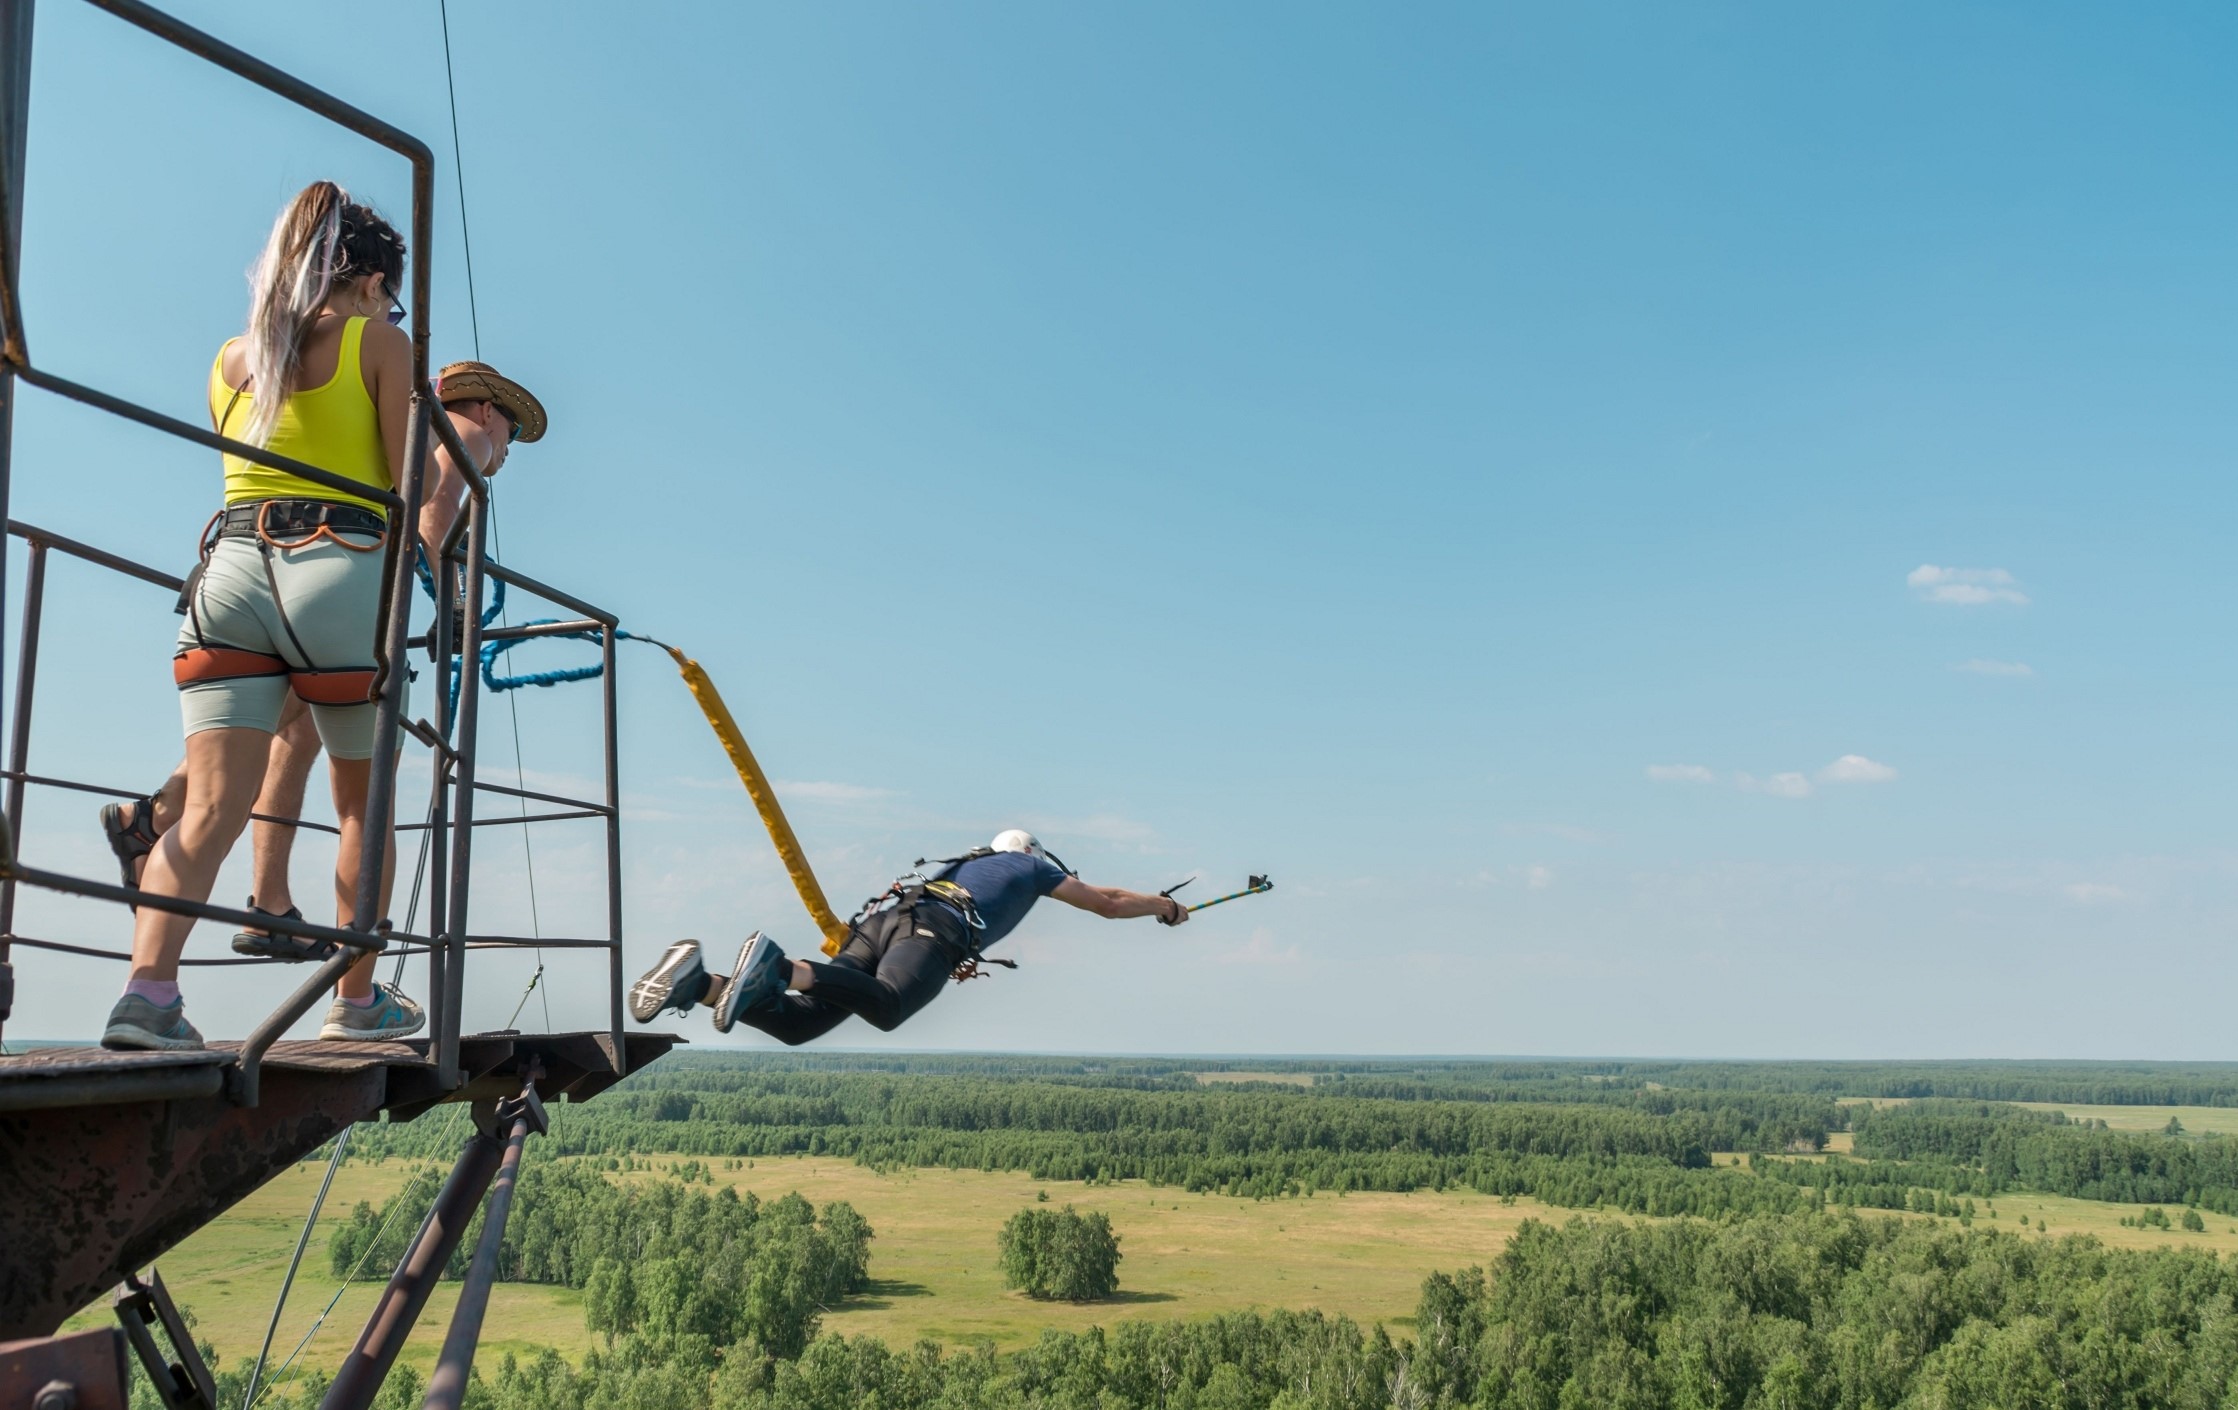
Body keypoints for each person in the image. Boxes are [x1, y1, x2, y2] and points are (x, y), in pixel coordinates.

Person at [97, 182, 529, 1051]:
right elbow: (406, 487)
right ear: (370, 281)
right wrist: (471, 459)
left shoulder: (229, 359)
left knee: (211, 806)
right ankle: (356, 1000)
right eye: (389, 295)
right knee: (364, 809)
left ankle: (146, 998)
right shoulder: (379, 341)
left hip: (227, 575)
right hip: (340, 569)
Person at [96, 360, 542, 954]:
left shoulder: (399, 425)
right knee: (354, 792)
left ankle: (252, 895)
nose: (507, 448)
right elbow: (433, 517)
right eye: (512, 430)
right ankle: (341, 980)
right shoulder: (470, 435)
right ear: (488, 410)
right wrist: (449, 611)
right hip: (343, 582)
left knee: (286, 730)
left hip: (260, 563)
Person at [628, 829, 1188, 1045]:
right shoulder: (1032, 869)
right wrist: (1165, 906)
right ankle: (775, 967)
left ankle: (698, 983)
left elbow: (1105, 890)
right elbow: (1108, 902)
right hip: (932, 933)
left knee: (801, 1024)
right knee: (890, 1008)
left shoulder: (969, 862)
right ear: (1035, 855)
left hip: (886, 922)